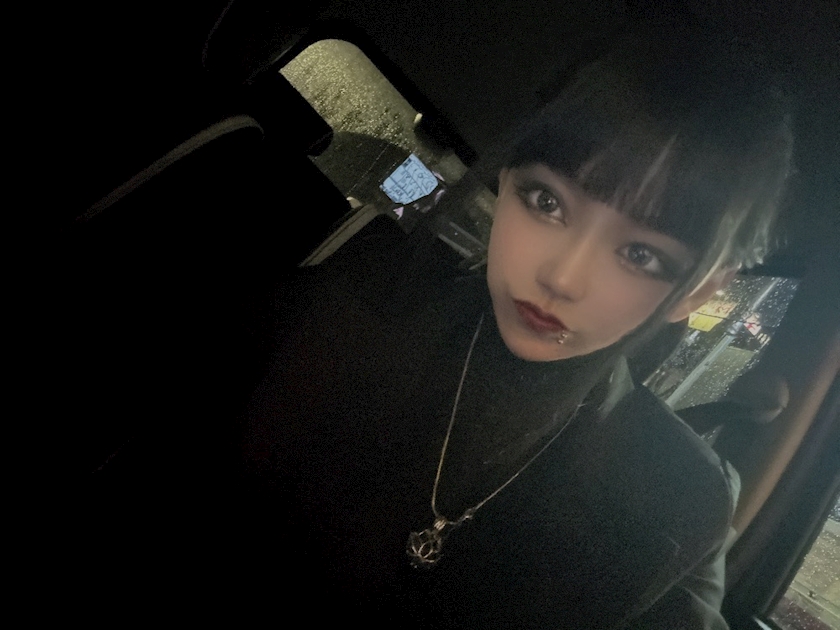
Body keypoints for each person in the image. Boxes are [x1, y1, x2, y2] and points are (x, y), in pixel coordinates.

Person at [239, 30, 793, 630]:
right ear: (504, 183)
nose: (562, 277)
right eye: (546, 201)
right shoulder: (342, 305)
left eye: (641, 254)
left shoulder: (674, 502)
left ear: (701, 291)